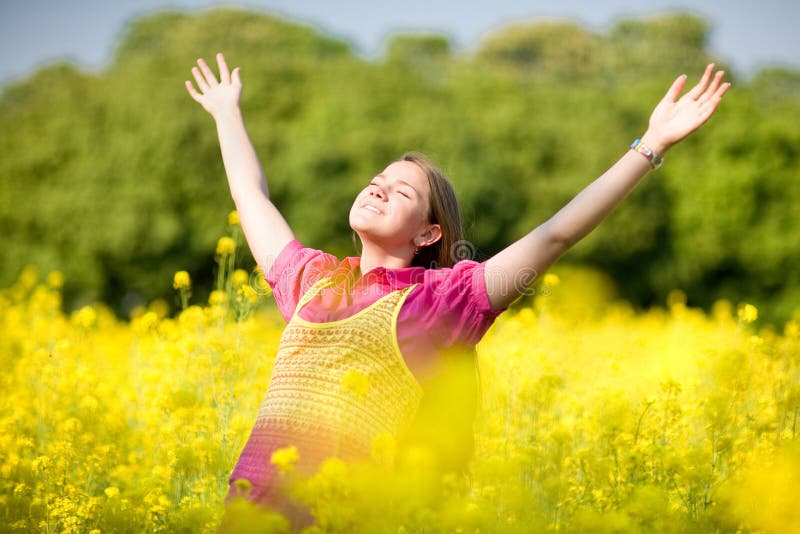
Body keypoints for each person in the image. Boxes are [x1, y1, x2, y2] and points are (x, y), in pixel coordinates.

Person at [185, 53, 729, 530]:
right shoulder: (310, 278)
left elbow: (557, 233)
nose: (378, 187)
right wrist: (227, 111)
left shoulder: (441, 301)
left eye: (401, 191)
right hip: (248, 513)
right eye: (377, 180)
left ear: (428, 234)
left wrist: (650, 145)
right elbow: (250, 194)